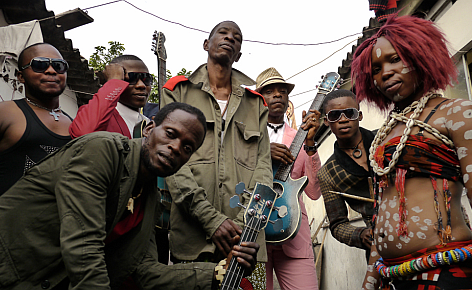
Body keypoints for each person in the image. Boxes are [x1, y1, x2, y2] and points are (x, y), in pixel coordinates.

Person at [0, 102, 259, 290]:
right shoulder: (102, 151)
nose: (176, 148)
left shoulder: (149, 198)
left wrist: (218, 272)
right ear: (148, 129)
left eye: (187, 147)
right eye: (170, 134)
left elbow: (144, 272)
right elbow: (84, 248)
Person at [351, 15, 472, 289]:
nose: (385, 73)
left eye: (395, 59)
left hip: (446, 272)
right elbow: (382, 212)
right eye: (377, 68)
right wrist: (370, 280)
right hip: (392, 277)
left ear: (420, 56)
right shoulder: (386, 133)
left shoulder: (456, 113)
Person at [160, 20, 272, 289]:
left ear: (239, 54)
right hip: (191, 239)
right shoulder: (177, 91)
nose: (230, 38)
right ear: (206, 44)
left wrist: (242, 226)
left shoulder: (256, 103)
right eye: (223, 33)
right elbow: (171, 164)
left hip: (246, 243)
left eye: (237, 37)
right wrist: (212, 220)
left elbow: (263, 167)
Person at [255, 67, 321, 290]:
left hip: (294, 235)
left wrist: (311, 145)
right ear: (258, 99)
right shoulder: (247, 138)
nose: (277, 95)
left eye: (282, 91)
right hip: (255, 236)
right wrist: (262, 150)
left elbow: (313, 192)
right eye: (269, 91)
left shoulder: (300, 138)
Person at [0, 43, 72, 195]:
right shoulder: (5, 112)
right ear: (21, 76)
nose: (51, 71)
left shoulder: (75, 123)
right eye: (40, 65)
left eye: (59, 66)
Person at [317, 89, 375, 258]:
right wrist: (360, 234)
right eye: (335, 115)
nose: (343, 120)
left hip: (420, 227)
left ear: (360, 115)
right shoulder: (328, 173)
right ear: (326, 121)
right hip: (378, 246)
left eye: (349, 113)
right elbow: (337, 224)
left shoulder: (386, 140)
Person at [69, 55, 152, 139]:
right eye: (131, 78)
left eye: (146, 79)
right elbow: (83, 135)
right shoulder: (98, 117)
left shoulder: (151, 124)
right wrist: (114, 80)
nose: (141, 85)